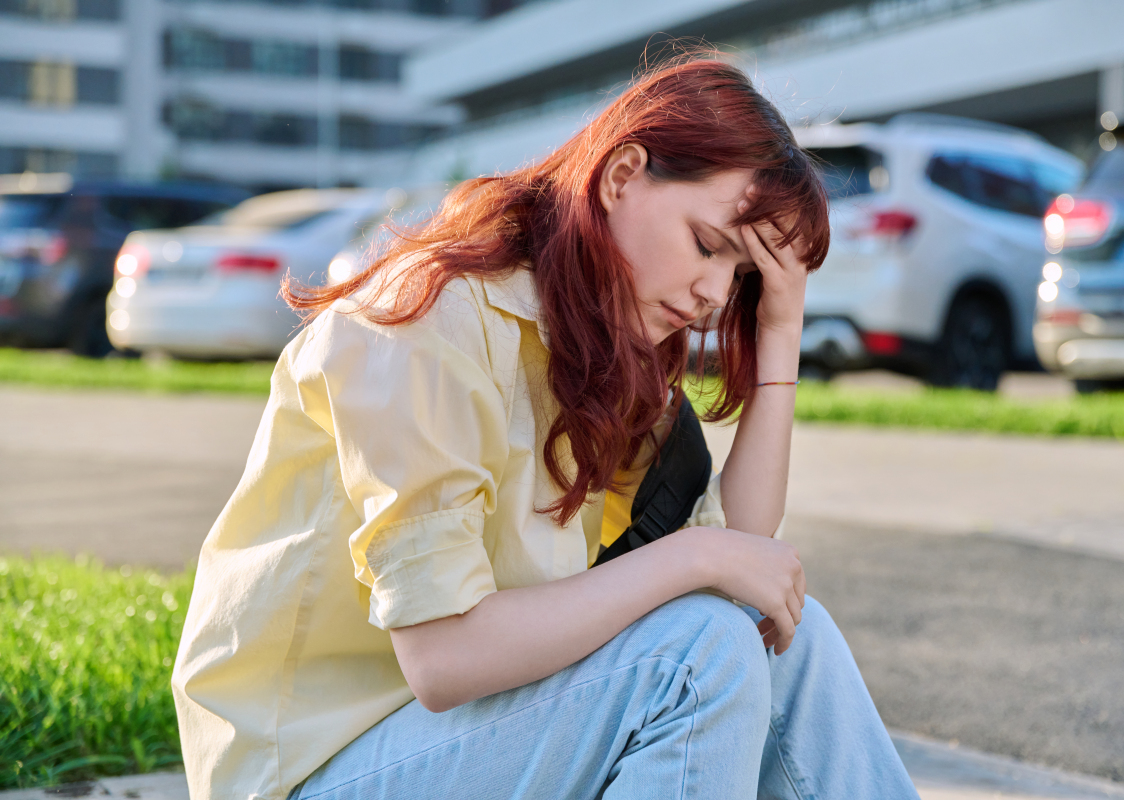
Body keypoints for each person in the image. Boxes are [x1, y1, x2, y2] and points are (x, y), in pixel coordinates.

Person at [171, 56, 921, 800]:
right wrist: (694, 557)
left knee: (785, 635)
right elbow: (443, 657)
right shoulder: (429, 320)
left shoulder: (596, 340)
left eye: (741, 277)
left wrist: (781, 324)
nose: (713, 296)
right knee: (699, 654)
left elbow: (746, 557)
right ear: (621, 175)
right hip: (314, 773)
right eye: (706, 245)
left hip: (476, 742)